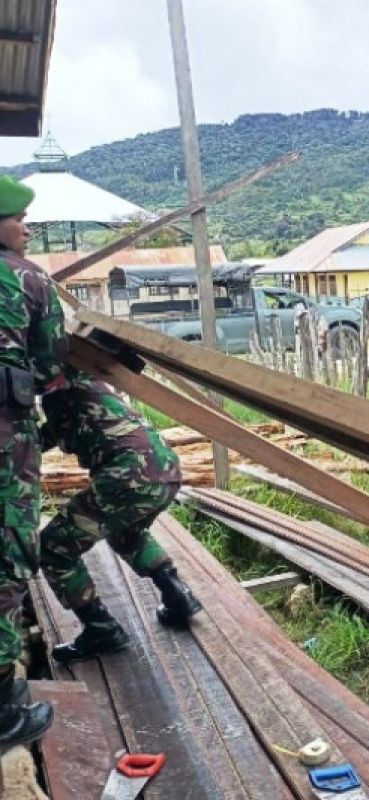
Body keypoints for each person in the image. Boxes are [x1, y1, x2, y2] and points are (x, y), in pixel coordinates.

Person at [39, 367, 201, 663]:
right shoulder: (93, 382)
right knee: (126, 534)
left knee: (54, 546)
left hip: (128, 475)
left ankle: (101, 629)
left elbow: (54, 437)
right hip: (166, 468)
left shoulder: (57, 392)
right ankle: (178, 595)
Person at [0, 175, 64, 748]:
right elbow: (50, 364)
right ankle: (3, 713)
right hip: (5, 442)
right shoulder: (27, 279)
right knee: (8, 554)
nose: (27, 227)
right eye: (19, 218)